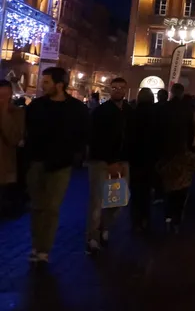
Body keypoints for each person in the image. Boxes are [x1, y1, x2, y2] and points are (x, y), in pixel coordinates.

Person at [24, 67, 88, 264]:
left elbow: (83, 134)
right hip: (37, 161)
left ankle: (44, 249)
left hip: (61, 164)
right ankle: (36, 245)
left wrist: (74, 155)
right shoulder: (36, 106)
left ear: (59, 85)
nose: (43, 86)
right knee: (36, 206)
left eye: (46, 82)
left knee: (51, 207)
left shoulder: (76, 109)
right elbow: (28, 130)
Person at [86, 77, 133, 254]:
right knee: (97, 201)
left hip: (122, 162)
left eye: (122, 87)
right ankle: (92, 238)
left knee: (117, 201)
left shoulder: (129, 111)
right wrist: (109, 161)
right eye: (115, 88)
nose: (118, 90)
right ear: (110, 89)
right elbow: (95, 139)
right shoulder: (100, 112)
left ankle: (104, 228)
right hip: (101, 162)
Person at [157, 83, 195, 233]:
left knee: (168, 186)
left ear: (171, 93)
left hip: (166, 152)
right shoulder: (190, 109)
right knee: (182, 187)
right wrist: (194, 144)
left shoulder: (163, 108)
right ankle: (176, 218)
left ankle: (167, 216)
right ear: (183, 93)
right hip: (184, 152)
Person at [128, 87, 159, 232]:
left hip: (135, 157)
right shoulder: (157, 114)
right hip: (151, 157)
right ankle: (146, 217)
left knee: (135, 190)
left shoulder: (133, 113)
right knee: (147, 190)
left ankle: (136, 220)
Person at [0, 79, 26, 216]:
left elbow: (14, 138)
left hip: (4, 171)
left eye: (6, 96)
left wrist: (4, 113)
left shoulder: (16, 113)